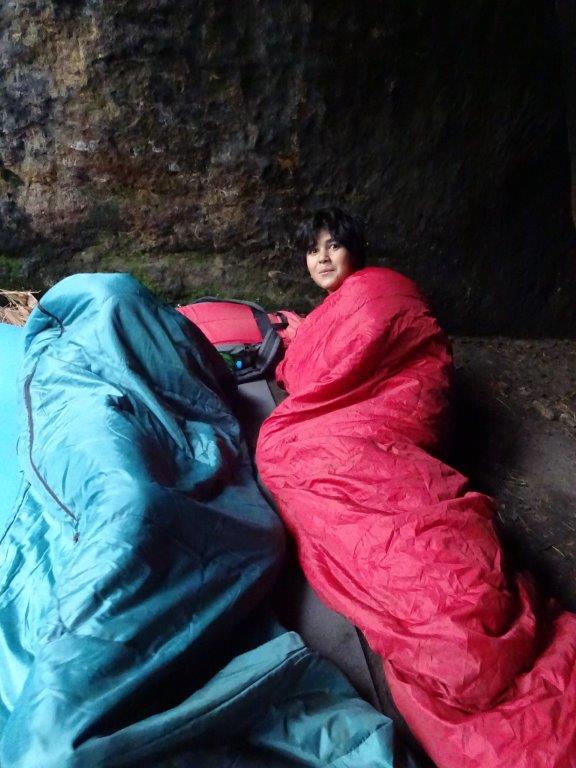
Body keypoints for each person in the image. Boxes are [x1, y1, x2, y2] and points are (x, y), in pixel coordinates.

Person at [256, 208, 576, 768]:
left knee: (304, 450)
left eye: (333, 246)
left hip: (388, 415)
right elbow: (314, 362)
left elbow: (399, 352)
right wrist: (302, 344)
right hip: (354, 421)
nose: (322, 258)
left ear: (357, 251)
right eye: (312, 250)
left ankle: (474, 634)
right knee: (327, 469)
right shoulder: (329, 312)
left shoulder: (382, 291)